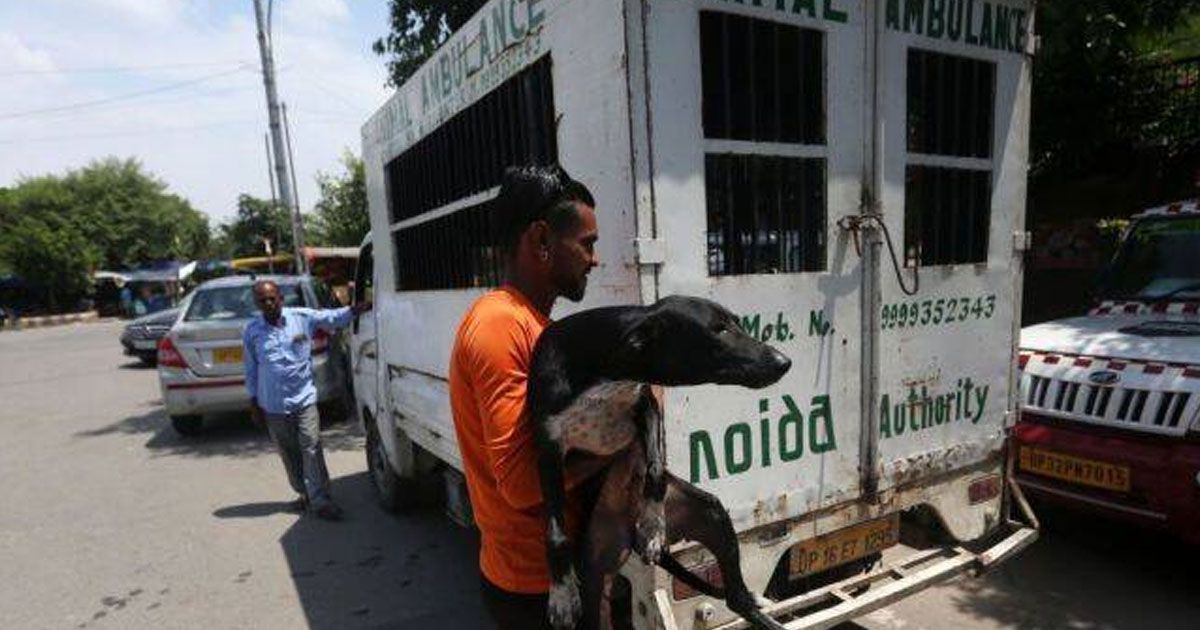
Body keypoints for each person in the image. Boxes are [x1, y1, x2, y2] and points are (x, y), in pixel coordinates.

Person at [448, 165, 611, 629]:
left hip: (559, 575)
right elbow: (522, 485)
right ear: (541, 240)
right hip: (535, 590)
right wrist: (616, 440)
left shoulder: (537, 326)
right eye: (587, 244)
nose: (593, 259)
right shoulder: (501, 325)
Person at [243, 279, 372, 520]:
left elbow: (333, 317)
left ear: (280, 298)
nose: (269, 303)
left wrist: (357, 309)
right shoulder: (252, 331)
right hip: (273, 405)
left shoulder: (301, 317)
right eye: (263, 300)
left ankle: (321, 499)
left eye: (272, 298)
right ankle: (305, 493)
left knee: (311, 446)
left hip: (304, 400)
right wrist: (253, 402)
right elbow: (251, 369)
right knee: (289, 452)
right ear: (257, 304)